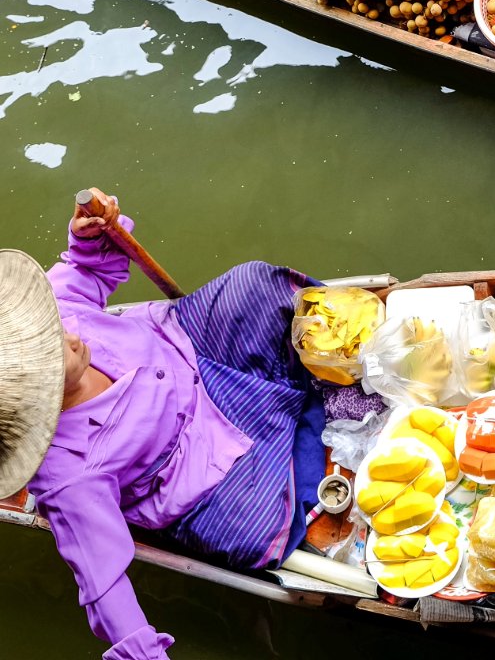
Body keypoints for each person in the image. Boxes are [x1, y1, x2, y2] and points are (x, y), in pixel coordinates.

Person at [0, 190, 328, 660]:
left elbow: (87, 272)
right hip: (193, 465)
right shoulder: (69, 479)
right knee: (248, 531)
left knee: (253, 285)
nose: (70, 336)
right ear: (40, 397)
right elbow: (103, 585)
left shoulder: (51, 319)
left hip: (186, 348)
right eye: (59, 352)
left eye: (57, 329)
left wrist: (88, 238)